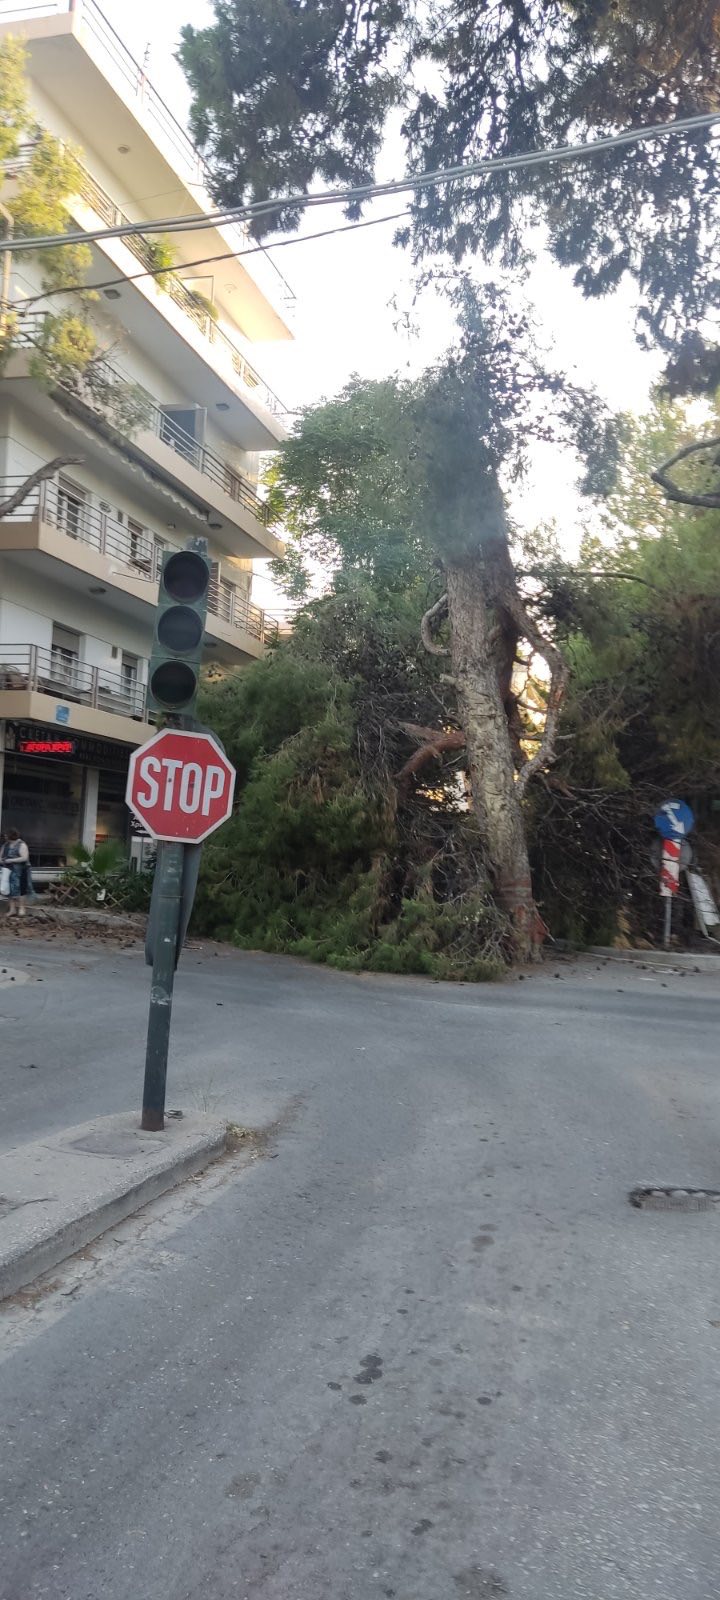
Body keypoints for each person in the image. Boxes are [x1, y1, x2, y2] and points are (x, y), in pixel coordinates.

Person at [2, 828, 31, 917]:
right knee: (9, 890)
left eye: (6, 835)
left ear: (11, 835)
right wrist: (3, 860)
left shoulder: (21, 844)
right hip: (8, 871)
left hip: (21, 870)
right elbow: (1, 856)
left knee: (22, 889)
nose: (5, 837)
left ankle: (22, 908)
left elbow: (24, 858)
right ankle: (12, 910)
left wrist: (10, 860)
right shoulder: (6, 845)